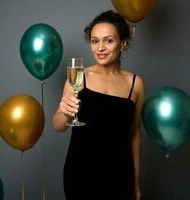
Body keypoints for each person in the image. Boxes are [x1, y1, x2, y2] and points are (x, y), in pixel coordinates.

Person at [52, 10, 145, 200]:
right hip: (80, 175)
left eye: (108, 40)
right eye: (95, 41)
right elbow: (57, 126)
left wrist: (135, 182)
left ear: (123, 43)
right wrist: (64, 112)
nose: (100, 48)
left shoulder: (135, 84)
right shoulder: (78, 77)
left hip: (120, 175)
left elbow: (135, 134)